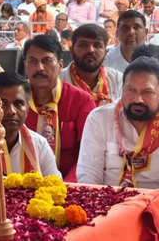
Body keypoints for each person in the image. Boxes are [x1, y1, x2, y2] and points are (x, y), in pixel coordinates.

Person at [77, 57, 159, 187]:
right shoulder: (100, 118)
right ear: (122, 89)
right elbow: (88, 175)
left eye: (147, 92)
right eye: (131, 90)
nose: (138, 99)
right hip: (109, 201)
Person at [23, 35, 96, 181]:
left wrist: (66, 186)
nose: (39, 68)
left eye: (47, 61)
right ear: (25, 65)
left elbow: (89, 155)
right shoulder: (16, 101)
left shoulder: (81, 100)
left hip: (69, 185)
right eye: (33, 61)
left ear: (60, 65)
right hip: (21, 183)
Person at [60, 24, 123, 106]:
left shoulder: (118, 80)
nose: (90, 50)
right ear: (72, 50)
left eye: (97, 45)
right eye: (83, 45)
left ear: (105, 52)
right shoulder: (58, 81)